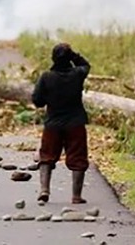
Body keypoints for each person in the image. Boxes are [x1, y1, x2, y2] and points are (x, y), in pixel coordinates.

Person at [32, 43, 91, 204]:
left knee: (46, 156)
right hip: (75, 122)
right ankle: (76, 196)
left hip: (53, 123)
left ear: (53, 58)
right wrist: (74, 55)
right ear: (69, 58)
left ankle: (44, 189)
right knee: (78, 158)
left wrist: (48, 98)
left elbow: (37, 100)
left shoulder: (46, 77)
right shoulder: (77, 74)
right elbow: (86, 65)